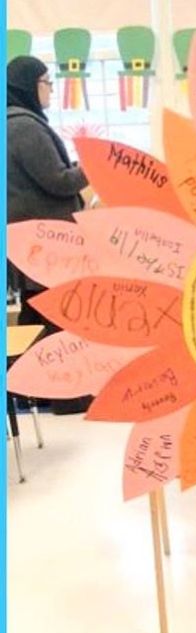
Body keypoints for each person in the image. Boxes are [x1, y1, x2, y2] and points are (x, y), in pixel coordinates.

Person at [7, 55, 92, 414]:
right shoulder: (24, 127)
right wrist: (90, 167)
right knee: (60, 312)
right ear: (29, 86)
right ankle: (67, 395)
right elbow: (57, 180)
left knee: (36, 310)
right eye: (47, 83)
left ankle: (34, 390)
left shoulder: (12, 123)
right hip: (47, 242)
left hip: (29, 240)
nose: (52, 90)